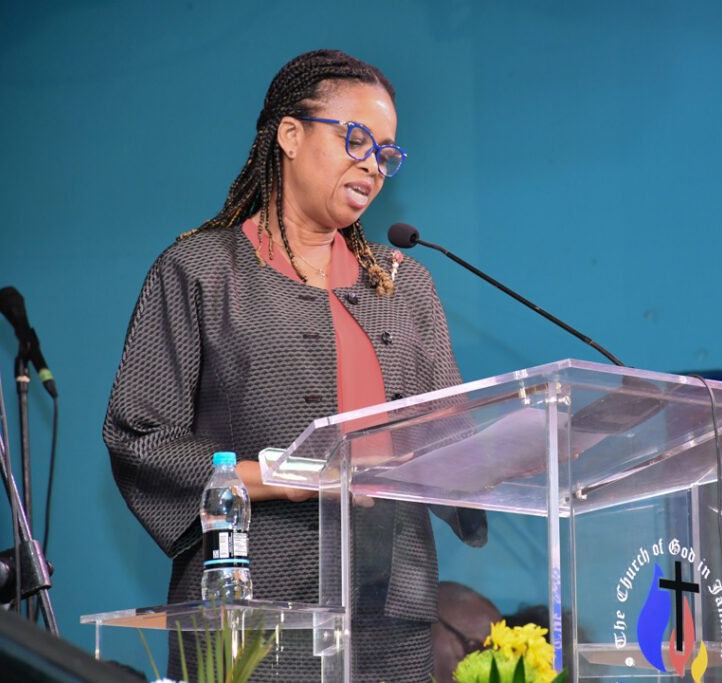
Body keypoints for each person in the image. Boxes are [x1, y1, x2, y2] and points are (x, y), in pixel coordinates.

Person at [104, 49, 485, 682]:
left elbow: (448, 439)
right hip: (251, 608)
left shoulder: (405, 285)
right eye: (357, 139)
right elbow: (139, 437)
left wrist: (508, 452)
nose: (373, 164)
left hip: (394, 614)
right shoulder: (202, 271)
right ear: (289, 134)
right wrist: (267, 475)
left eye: (386, 154)